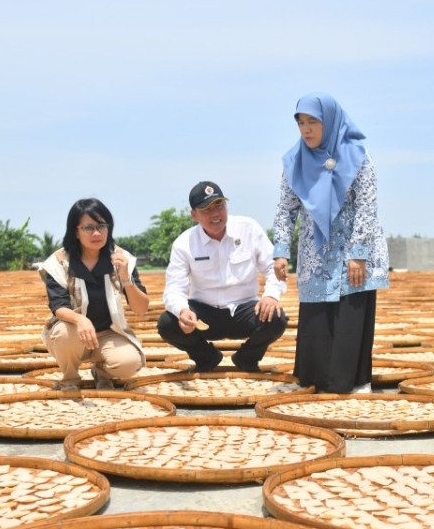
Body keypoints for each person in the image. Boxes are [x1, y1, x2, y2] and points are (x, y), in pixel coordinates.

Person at [273, 92, 390, 394]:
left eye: (313, 121)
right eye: (301, 123)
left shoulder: (358, 156)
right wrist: (281, 251)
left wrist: (358, 253)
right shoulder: (294, 161)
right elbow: (286, 209)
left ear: (330, 121)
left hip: (353, 251)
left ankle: (356, 381)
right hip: (316, 253)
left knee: (351, 317)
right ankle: (317, 381)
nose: (306, 129)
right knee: (317, 319)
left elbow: (367, 205)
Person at [157, 181, 287, 372]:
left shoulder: (249, 228)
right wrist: (183, 311)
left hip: (245, 309)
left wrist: (271, 296)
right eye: (206, 209)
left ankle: (247, 358)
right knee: (167, 323)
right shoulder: (184, 243)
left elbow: (272, 266)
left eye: (219, 206)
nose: (215, 214)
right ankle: (206, 358)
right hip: (204, 314)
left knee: (276, 317)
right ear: (194, 215)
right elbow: (174, 288)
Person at [39, 198, 148, 390]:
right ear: (76, 231)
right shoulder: (59, 263)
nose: (97, 233)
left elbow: (141, 308)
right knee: (64, 332)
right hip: (74, 333)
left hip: (108, 334)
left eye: (101, 226)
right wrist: (80, 320)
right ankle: (70, 379)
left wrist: (126, 279)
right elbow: (59, 307)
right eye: (88, 228)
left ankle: (102, 373)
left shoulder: (121, 259)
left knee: (129, 362)